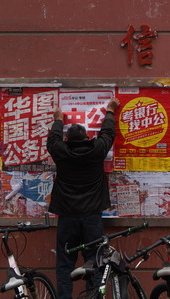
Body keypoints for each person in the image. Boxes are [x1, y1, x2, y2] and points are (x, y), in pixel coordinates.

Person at [47, 97, 120, 299]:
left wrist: (58, 119)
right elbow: (108, 133)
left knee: (64, 264)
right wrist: (110, 111)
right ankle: (94, 296)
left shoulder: (61, 152)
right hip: (92, 218)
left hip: (67, 218)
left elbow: (53, 139)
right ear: (87, 137)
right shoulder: (96, 151)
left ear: (67, 140)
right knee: (95, 262)